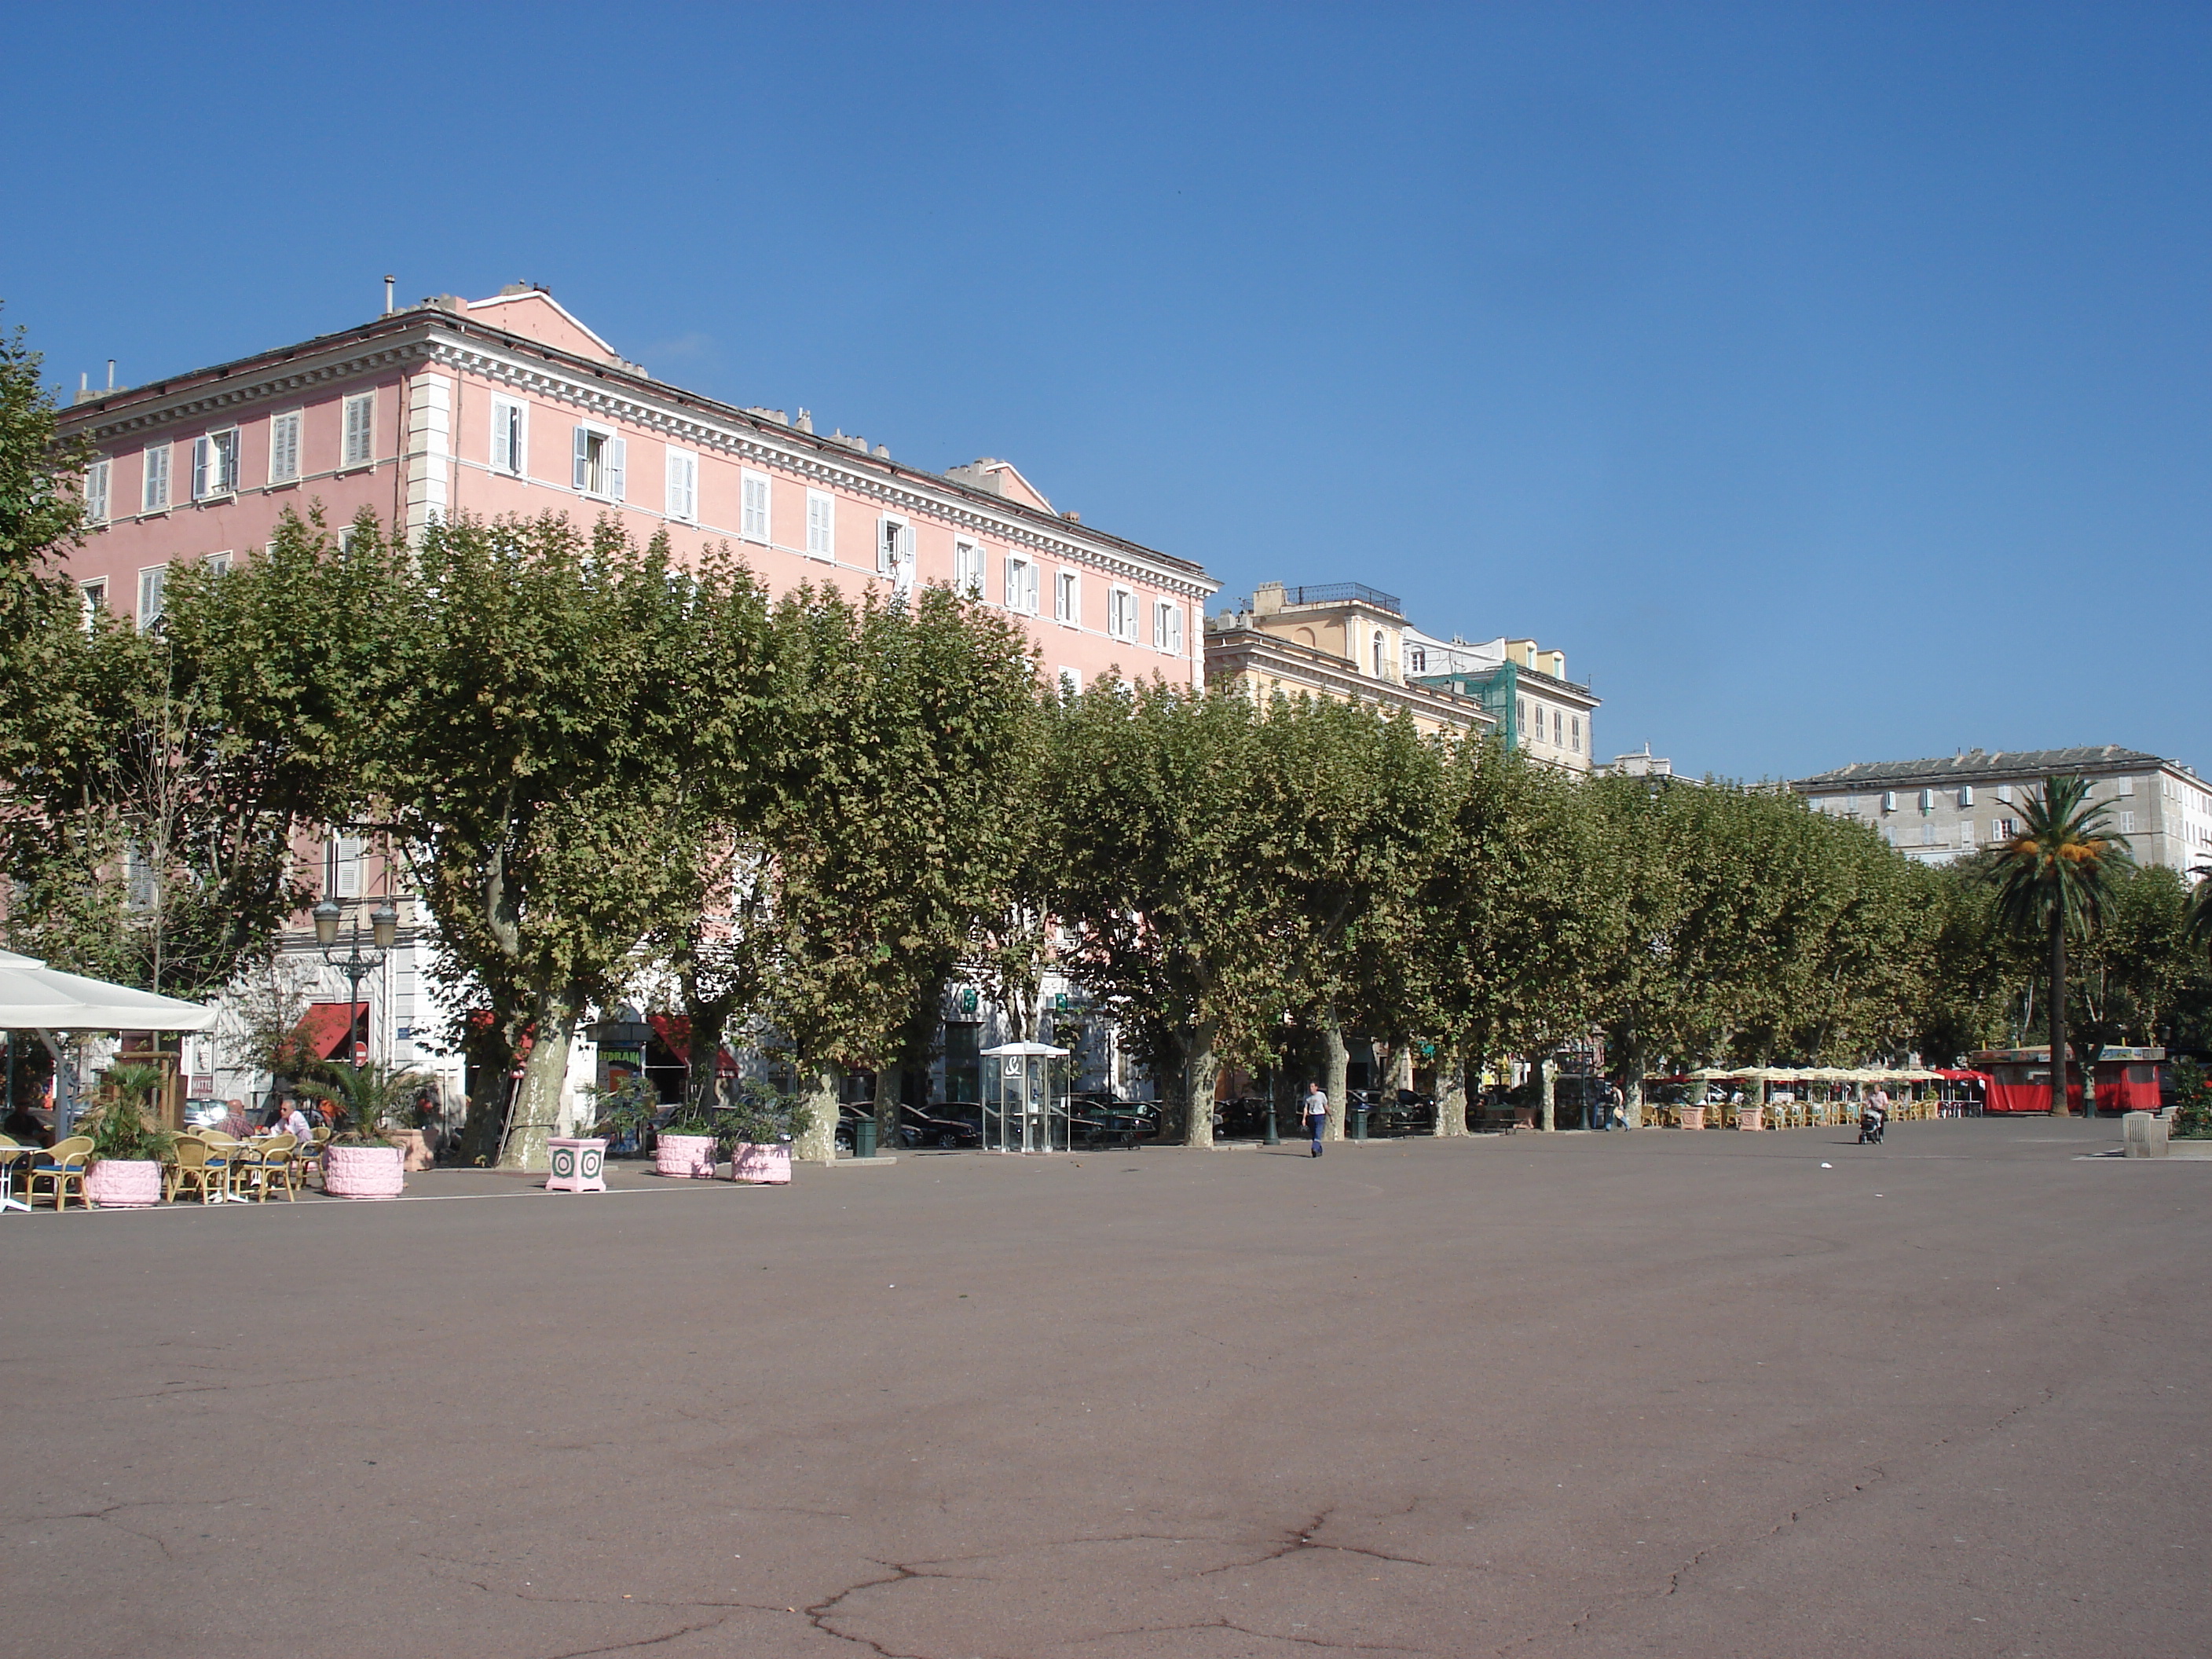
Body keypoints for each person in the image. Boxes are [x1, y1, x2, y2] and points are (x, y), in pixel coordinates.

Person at [1302, 1081, 1329, 1158]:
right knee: (1314, 1135)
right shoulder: (1307, 1096)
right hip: (1311, 1116)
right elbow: (1306, 1108)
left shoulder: (1321, 1095)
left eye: (1313, 1087)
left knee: (1318, 1133)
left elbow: (1325, 1106)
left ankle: (1314, 1148)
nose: (1311, 1089)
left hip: (1320, 1116)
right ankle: (1319, 1150)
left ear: (1316, 1088)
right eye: (1310, 1087)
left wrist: (1330, 1115)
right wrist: (1304, 1119)